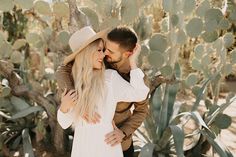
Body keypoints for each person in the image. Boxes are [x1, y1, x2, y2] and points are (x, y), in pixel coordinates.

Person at [56, 26, 164, 157]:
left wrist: (123, 132)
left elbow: (141, 100)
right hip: (82, 146)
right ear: (86, 53)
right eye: (101, 50)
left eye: (108, 51)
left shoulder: (110, 77)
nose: (104, 54)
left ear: (126, 54)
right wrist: (70, 104)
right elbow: (64, 122)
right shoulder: (78, 81)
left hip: (110, 142)